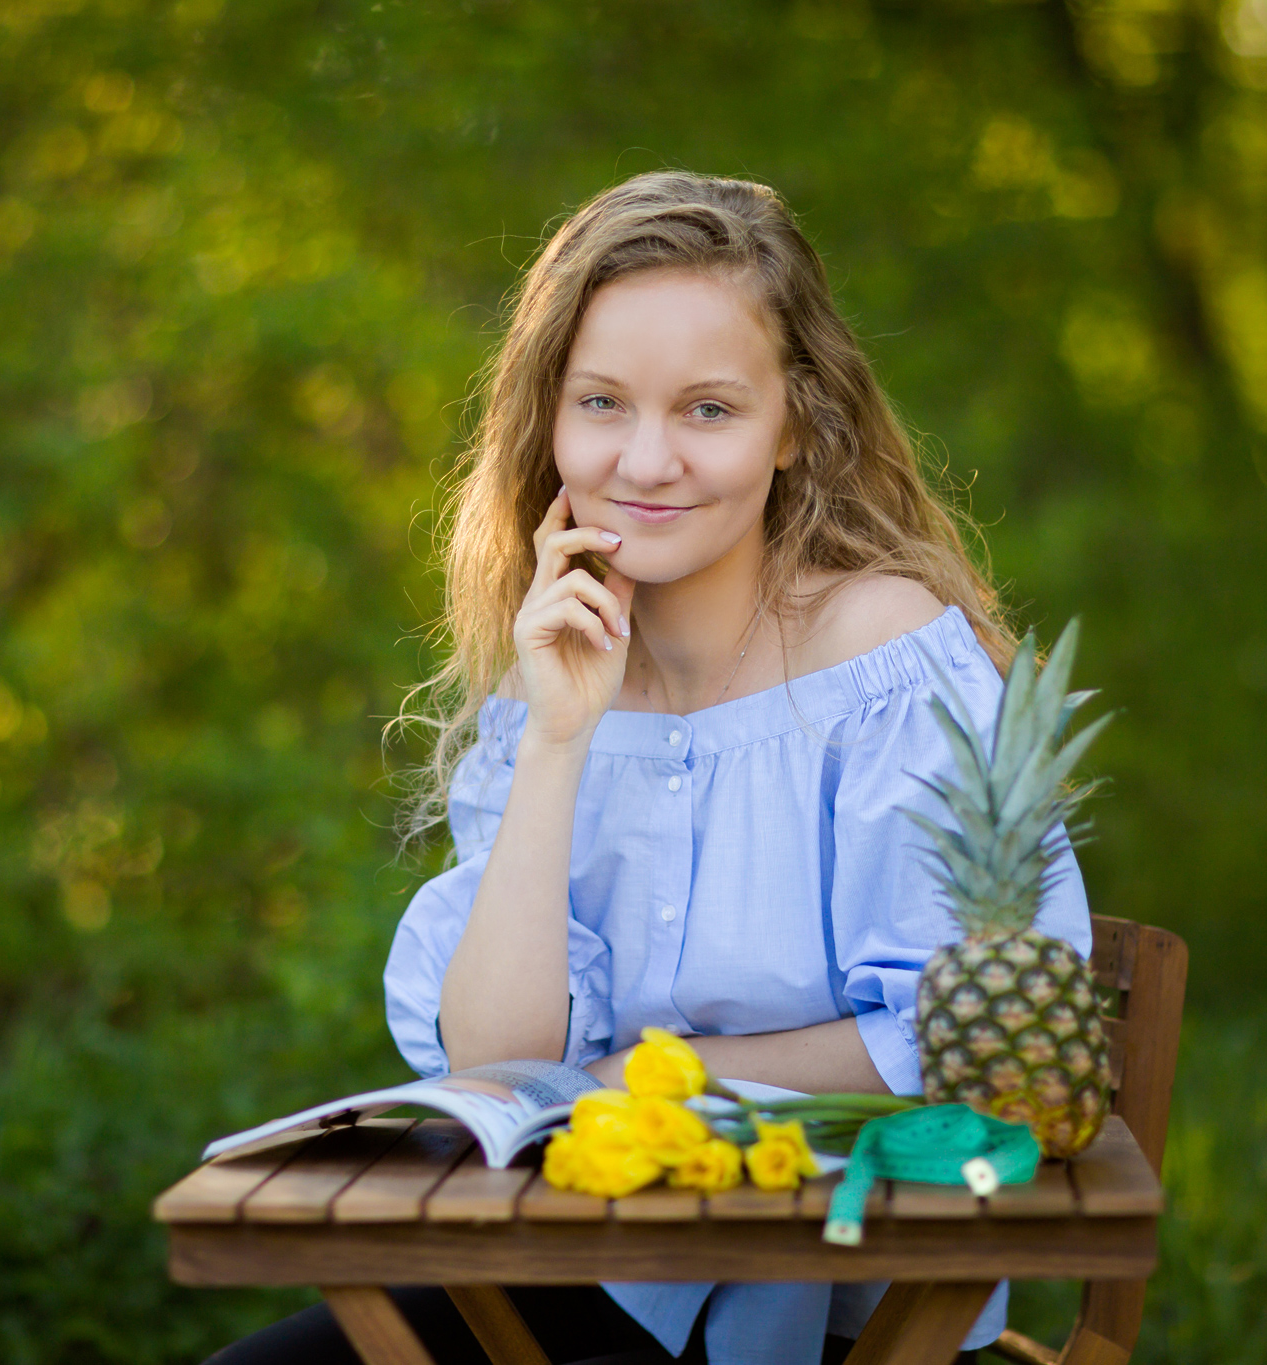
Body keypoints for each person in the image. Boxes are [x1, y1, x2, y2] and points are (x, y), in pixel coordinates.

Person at [210, 172, 1090, 1365]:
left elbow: (956, 1032)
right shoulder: (549, 684)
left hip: (841, 1288)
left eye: (708, 410)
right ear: (549, 422)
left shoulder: (883, 662)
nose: (647, 459)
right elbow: (494, 1063)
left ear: (794, 425)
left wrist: (657, 1074)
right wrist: (560, 734)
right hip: (593, 1259)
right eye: (603, 403)